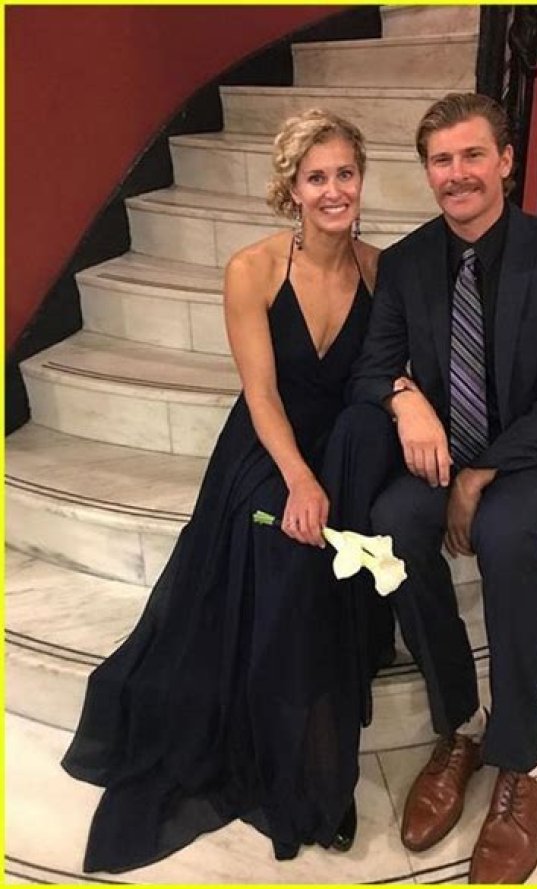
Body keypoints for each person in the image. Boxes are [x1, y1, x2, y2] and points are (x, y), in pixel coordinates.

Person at [61, 109, 393, 872]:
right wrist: (300, 481)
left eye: (345, 173)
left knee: (331, 559)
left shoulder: (381, 270)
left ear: (361, 178)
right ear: (291, 188)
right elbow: (262, 394)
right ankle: (303, 770)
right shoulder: (253, 268)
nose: (334, 190)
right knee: (289, 558)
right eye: (316, 177)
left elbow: (382, 379)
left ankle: (316, 764)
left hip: (340, 450)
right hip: (266, 451)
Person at [341, 92, 537, 883]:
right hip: (445, 449)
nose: (456, 174)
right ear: (428, 171)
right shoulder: (407, 262)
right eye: (441, 160)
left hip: (531, 453)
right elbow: (371, 368)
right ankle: (459, 721)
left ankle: (522, 755)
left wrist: (480, 474)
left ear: (506, 160)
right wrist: (405, 397)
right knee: (393, 521)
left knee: (503, 533)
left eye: (471, 155)